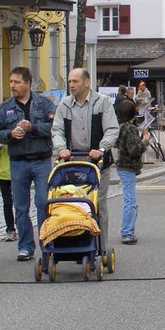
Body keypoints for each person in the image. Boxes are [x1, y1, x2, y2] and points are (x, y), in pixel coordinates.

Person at [52, 68, 119, 252]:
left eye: (75, 81)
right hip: (72, 162)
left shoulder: (102, 102)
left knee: (98, 204)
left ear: (86, 82)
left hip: (97, 163)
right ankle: (75, 242)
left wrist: (102, 148)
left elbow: (112, 129)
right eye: (70, 82)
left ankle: (101, 247)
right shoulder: (64, 104)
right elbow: (57, 130)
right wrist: (61, 148)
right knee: (72, 202)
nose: (71, 85)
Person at [0, 67, 56, 262]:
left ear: (28, 84)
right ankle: (25, 246)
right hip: (18, 161)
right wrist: (10, 134)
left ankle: (46, 244)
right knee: (20, 207)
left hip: (41, 160)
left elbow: (54, 128)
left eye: (16, 82)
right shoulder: (5, 108)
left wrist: (33, 127)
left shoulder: (44, 104)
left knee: (43, 203)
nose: (12, 85)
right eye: (11, 82)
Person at [115, 100, 149, 245]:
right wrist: (145, 141)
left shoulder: (119, 127)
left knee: (129, 198)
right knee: (130, 200)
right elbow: (134, 150)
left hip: (122, 165)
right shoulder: (131, 129)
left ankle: (127, 230)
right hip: (128, 165)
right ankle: (127, 231)